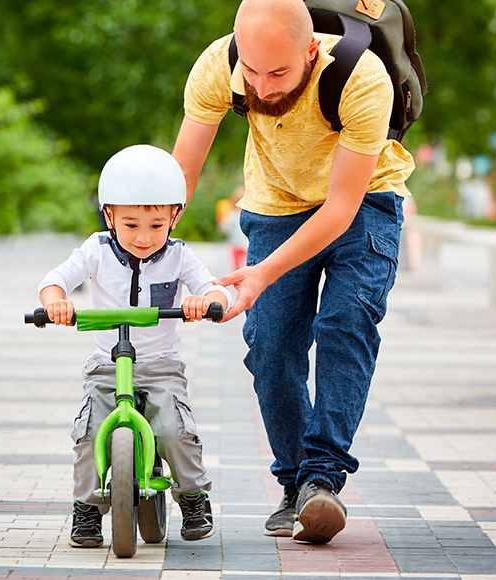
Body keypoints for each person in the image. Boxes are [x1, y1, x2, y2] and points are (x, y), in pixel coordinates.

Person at [171, 0, 414, 544]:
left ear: (310, 49)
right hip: (276, 204)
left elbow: (340, 208)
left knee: (345, 323)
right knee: (271, 345)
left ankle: (322, 478)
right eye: (251, 72)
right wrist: (147, 246)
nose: (263, 85)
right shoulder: (218, 67)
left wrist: (261, 275)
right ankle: (295, 486)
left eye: (279, 72)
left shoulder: (359, 74)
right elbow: (181, 176)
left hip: (364, 202)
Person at [39, 144, 233, 547]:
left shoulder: (180, 257)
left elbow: (216, 291)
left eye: (156, 225)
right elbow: (55, 279)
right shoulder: (96, 249)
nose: (143, 237)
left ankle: (194, 497)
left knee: (175, 430)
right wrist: (56, 302)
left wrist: (207, 302)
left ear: (174, 217)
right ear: (108, 215)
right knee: (89, 432)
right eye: (130, 225)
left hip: (160, 366)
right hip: (106, 366)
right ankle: (87, 509)